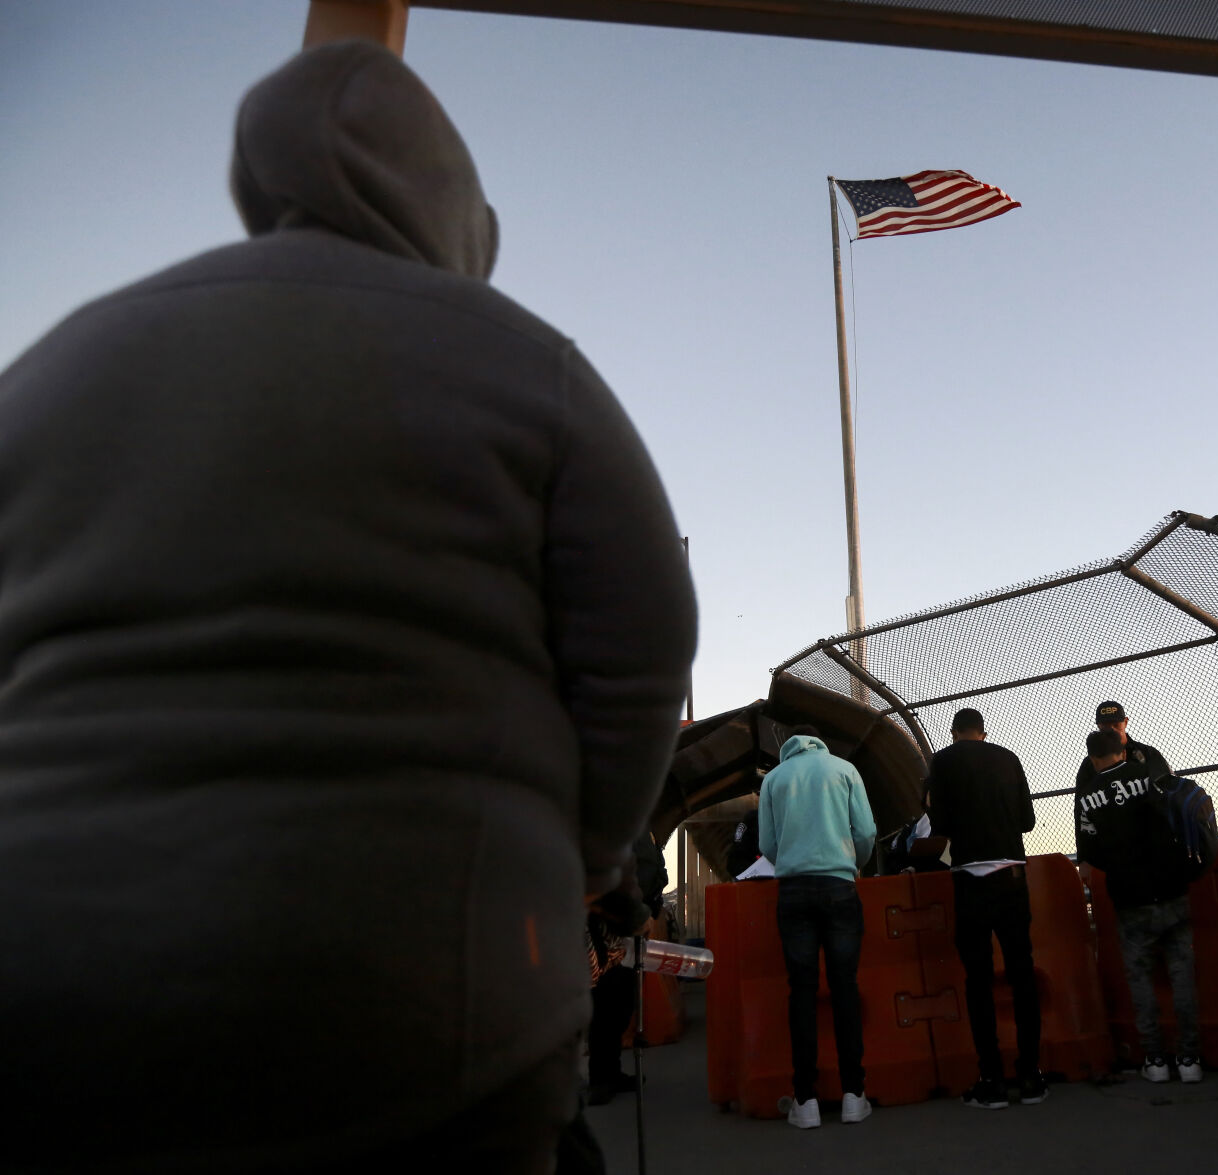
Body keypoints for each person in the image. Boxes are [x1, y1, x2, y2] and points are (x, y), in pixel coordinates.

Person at [0, 40, 696, 1174]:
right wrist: (578, 854)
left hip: (48, 981)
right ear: (457, 210)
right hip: (429, 999)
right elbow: (640, 651)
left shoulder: (57, 359)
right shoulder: (525, 362)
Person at [924, 708, 1047, 1109]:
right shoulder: (1009, 757)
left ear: (955, 733)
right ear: (983, 732)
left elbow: (938, 823)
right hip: (1011, 874)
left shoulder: (941, 762)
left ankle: (990, 1079)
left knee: (978, 981)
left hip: (970, 878)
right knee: (1021, 972)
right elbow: (1027, 821)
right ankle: (1031, 1076)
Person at [758, 726, 877, 1129]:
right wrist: (852, 862)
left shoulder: (774, 779)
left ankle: (805, 1101)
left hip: (793, 891)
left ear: (788, 747)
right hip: (840, 885)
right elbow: (866, 831)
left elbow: (768, 843)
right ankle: (853, 1094)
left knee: (802, 991)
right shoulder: (844, 769)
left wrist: (792, 859)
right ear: (821, 741)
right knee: (845, 986)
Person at [1074, 729, 1202, 1085]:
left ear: (1093, 759)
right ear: (1123, 752)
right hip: (1171, 888)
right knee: (1181, 974)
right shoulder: (1150, 778)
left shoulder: (1086, 797)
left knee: (1141, 979)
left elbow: (1090, 854)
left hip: (1130, 897)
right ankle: (1190, 1059)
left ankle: (1156, 1060)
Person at [584, 831, 669, 1105]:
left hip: (628, 921)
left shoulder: (641, 827)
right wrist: (635, 913)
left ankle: (611, 1070)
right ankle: (599, 1077)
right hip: (609, 925)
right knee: (605, 1002)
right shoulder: (615, 823)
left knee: (621, 1003)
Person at [1074, 700, 1170, 790]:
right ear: (1099, 726)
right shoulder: (1090, 763)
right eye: (1106, 727)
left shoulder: (1148, 753)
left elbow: (1168, 788)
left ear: (1126, 722)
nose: (1112, 730)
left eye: (1116, 725)